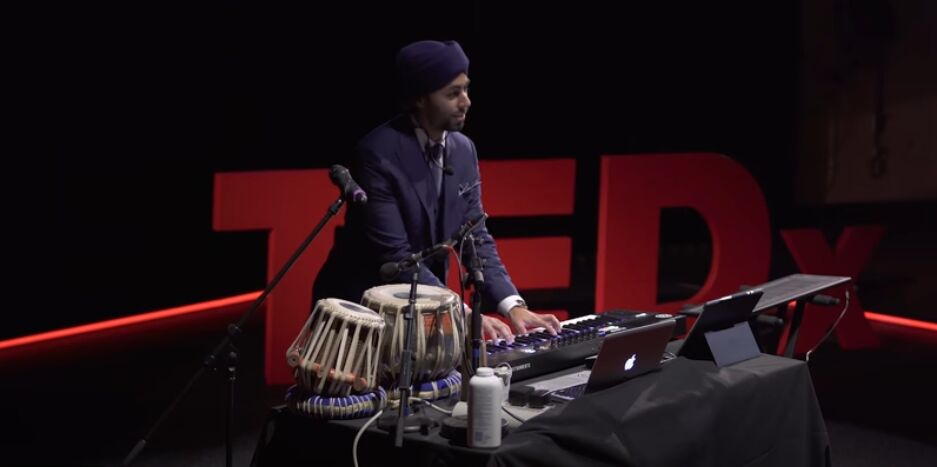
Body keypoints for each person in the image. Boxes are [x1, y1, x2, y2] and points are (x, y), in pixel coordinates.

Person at [313, 39, 561, 343]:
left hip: (428, 311)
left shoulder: (464, 149)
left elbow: (475, 236)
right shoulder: (377, 154)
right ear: (420, 98)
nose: (466, 102)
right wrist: (463, 312)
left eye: (466, 89)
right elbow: (397, 256)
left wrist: (512, 306)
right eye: (453, 94)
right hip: (362, 316)